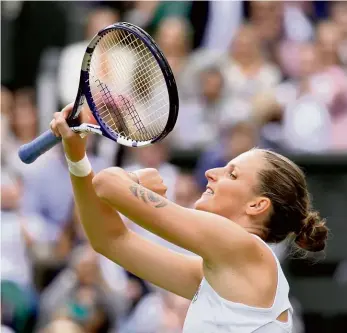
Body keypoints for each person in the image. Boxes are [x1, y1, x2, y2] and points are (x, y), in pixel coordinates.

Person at [49, 103, 329, 333]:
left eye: (231, 174)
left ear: (257, 204)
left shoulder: (244, 247)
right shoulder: (216, 271)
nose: (211, 173)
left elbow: (107, 185)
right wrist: (77, 158)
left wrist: (133, 178)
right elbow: (108, 239)